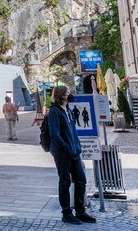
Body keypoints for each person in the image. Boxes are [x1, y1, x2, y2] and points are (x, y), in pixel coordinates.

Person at [47, 86, 96, 225]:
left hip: (74, 152)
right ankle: (67, 213)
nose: (70, 95)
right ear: (61, 95)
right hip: (63, 153)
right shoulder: (54, 112)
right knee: (65, 182)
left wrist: (77, 146)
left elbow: (72, 131)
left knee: (81, 180)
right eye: (68, 93)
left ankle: (80, 211)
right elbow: (55, 135)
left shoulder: (67, 109)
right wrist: (67, 148)